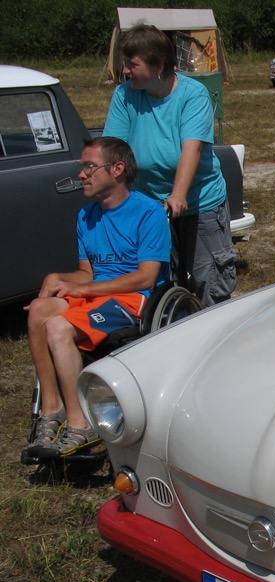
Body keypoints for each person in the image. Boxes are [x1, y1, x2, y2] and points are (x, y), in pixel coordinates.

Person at [25, 137, 170, 458]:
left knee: (58, 328)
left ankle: (81, 424)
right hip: (98, 295)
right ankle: (52, 410)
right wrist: (58, 279)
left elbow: (145, 277)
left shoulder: (148, 213)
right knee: (38, 310)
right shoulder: (86, 215)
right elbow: (86, 274)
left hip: (133, 300)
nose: (81, 175)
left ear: (117, 169)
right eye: (82, 167)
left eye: (89, 167)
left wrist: (84, 290)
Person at [104, 23, 235, 307]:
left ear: (159, 65)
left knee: (207, 280)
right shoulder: (125, 95)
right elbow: (114, 149)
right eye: (124, 63)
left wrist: (178, 194)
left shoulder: (193, 94)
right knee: (163, 281)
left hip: (200, 202)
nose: (125, 70)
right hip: (150, 205)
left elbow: (192, 148)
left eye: (132, 64)